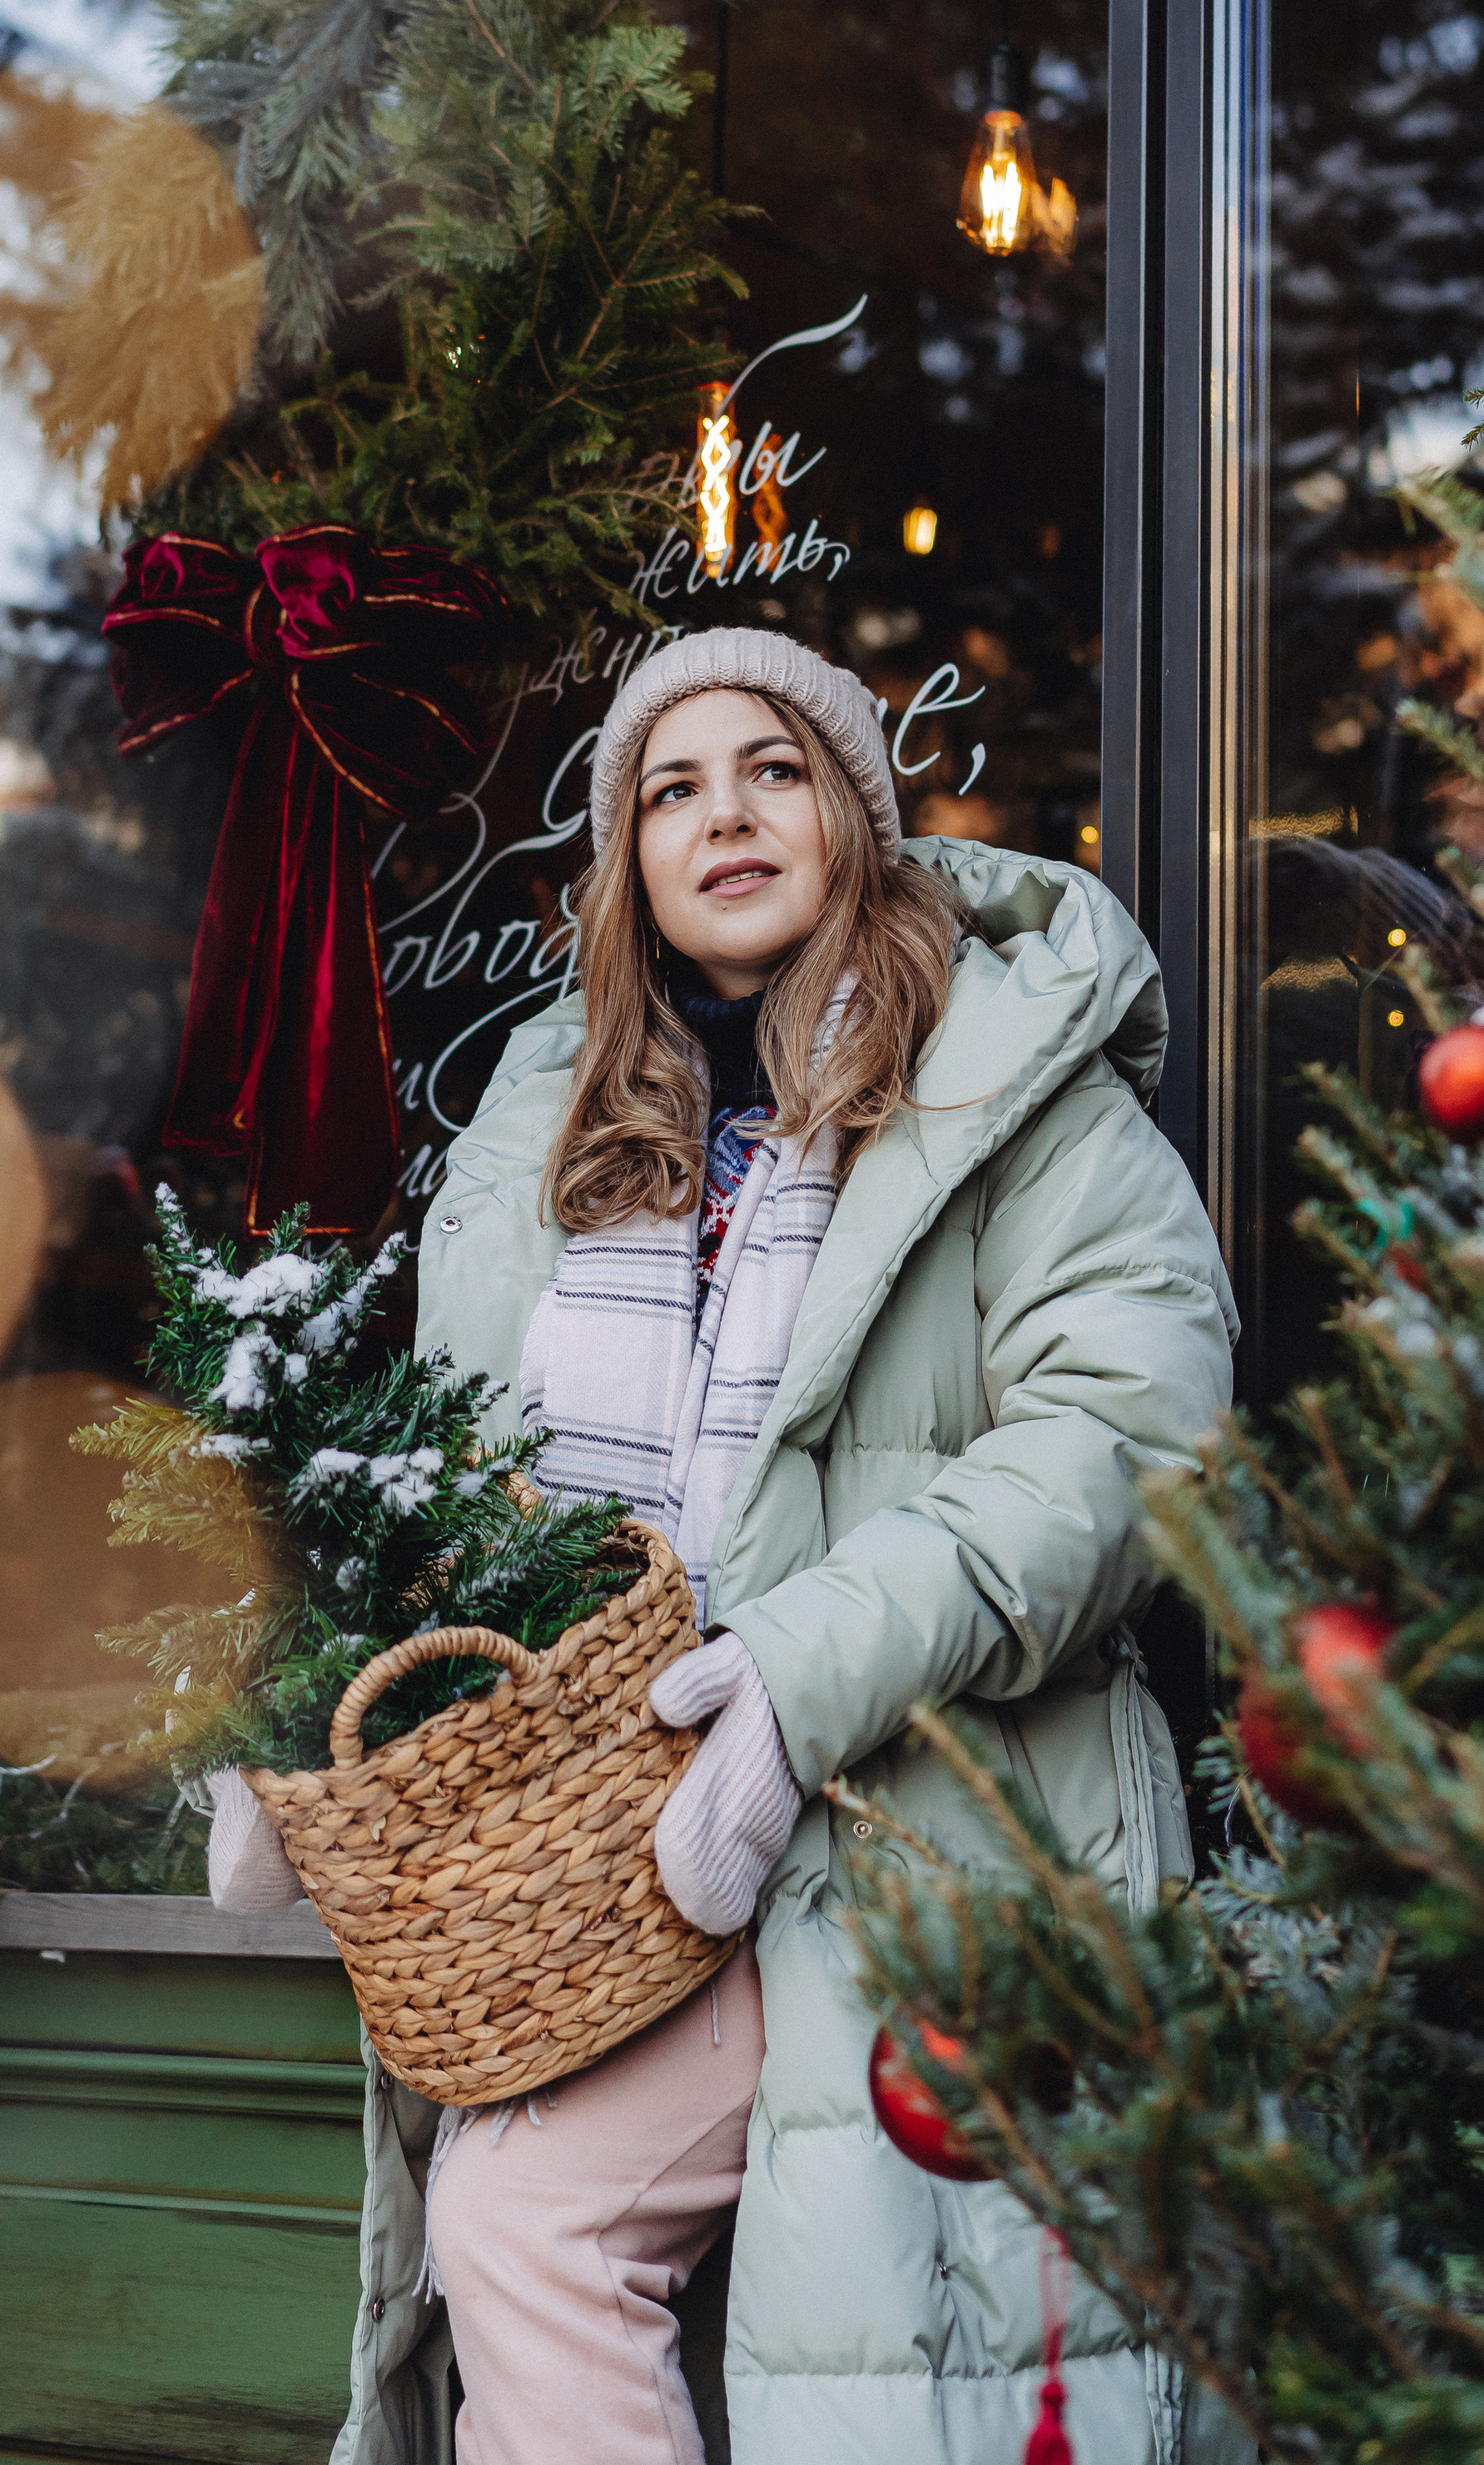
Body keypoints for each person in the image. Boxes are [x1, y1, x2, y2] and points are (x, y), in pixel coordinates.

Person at [211, 625, 1238, 2465]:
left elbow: (1124, 1436)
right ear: (627, 866)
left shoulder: (1018, 1093)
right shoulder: (559, 1129)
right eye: (669, 790)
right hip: (619, 1861)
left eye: (772, 767)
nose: (724, 815)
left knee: (764, 2317)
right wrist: (313, 1731)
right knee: (527, 2230)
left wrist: (794, 1668)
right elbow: (466, 1495)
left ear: (852, 813)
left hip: (917, 1819)